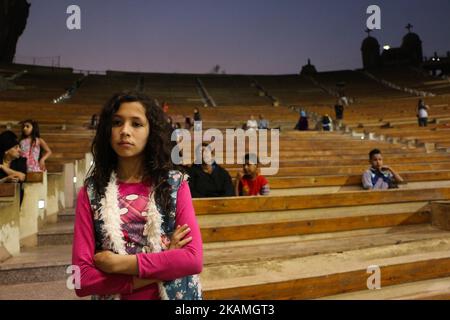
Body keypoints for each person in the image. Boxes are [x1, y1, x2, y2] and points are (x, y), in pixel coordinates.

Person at [72, 92, 202, 300]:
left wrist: (118, 264)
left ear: (151, 131)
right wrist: (166, 261)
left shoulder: (174, 184)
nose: (125, 131)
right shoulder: (91, 192)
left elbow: (192, 260)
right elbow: (80, 280)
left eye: (136, 124)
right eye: (117, 122)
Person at [0, 131, 27, 205]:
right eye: (16, 147)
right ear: (6, 151)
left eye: (19, 147)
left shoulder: (21, 161)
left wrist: (3, 167)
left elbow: (22, 177)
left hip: (15, 202)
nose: (20, 150)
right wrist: (5, 179)